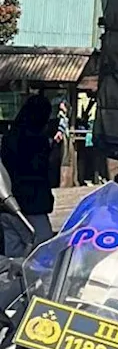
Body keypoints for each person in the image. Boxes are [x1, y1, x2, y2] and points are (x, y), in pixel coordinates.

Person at [0, 95, 60, 257]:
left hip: (8, 206)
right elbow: (45, 173)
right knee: (44, 253)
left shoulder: (9, 138)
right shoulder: (38, 141)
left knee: (12, 256)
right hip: (33, 206)